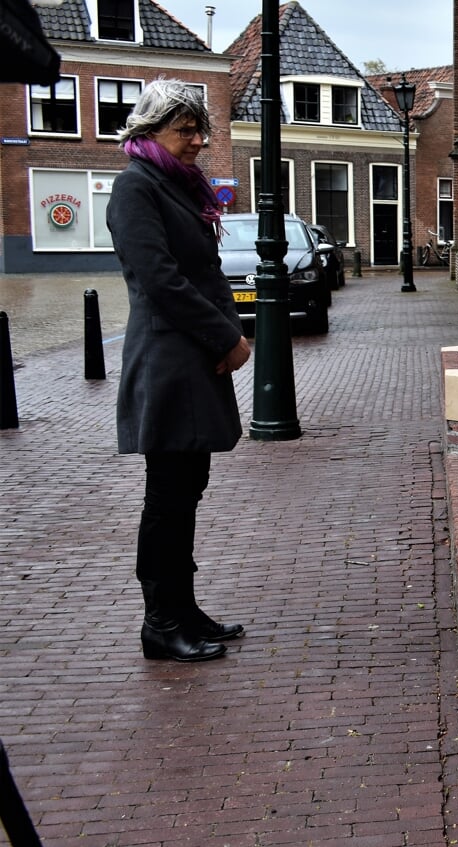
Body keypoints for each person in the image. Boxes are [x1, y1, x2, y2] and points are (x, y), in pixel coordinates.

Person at [107, 79, 250, 662]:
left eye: (199, 129)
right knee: (167, 497)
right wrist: (227, 337)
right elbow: (160, 280)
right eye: (184, 130)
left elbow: (206, 273)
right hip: (168, 360)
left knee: (187, 491)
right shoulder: (135, 188)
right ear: (149, 131)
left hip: (193, 357)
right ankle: (161, 622)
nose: (197, 140)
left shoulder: (176, 185)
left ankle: (184, 608)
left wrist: (235, 331)